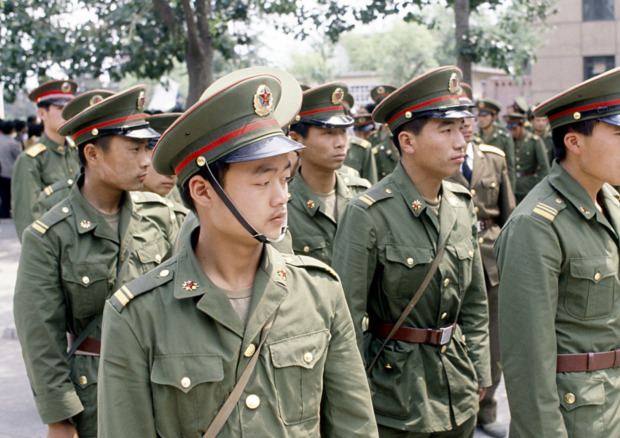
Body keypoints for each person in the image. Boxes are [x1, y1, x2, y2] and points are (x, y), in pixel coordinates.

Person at [97, 67, 378, 437]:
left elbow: (353, 426)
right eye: (262, 181)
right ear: (202, 191)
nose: (282, 197)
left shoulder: (319, 292)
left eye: (284, 178)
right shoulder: (138, 315)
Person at [495, 63, 620, 438]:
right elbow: (527, 359)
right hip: (576, 419)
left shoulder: (609, 202)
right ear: (574, 142)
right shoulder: (536, 226)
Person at [14, 85, 181, 438]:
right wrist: (59, 419)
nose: (146, 160)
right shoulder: (49, 236)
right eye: (134, 149)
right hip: (94, 391)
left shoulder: (160, 217)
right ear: (92, 153)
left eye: (146, 148)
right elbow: (40, 335)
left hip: (162, 383)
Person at [332, 66, 491, 437]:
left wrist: (480, 369)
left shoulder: (461, 203)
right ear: (407, 141)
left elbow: (475, 302)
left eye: (461, 128)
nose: (460, 141)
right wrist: (352, 402)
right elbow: (346, 320)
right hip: (395, 397)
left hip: (458, 386)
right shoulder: (369, 213)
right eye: (445, 130)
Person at [448, 85, 515, 438]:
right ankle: (457, 410)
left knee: (493, 341)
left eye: (471, 116)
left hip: (490, 259)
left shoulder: (495, 157)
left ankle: (486, 410)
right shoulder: (440, 160)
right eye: (458, 119)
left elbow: (509, 215)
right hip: (450, 260)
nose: (468, 124)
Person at [287, 83, 371, 265]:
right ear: (296, 140)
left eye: (342, 132)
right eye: (328, 133)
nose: (341, 142)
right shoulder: (284, 205)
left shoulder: (363, 193)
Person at [11, 79, 80, 239]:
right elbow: (27, 218)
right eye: (60, 108)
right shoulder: (30, 160)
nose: (66, 114)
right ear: (42, 114)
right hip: (51, 249)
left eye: (69, 109)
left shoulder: (76, 152)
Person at [505, 110, 550, 204]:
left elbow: (545, 168)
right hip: (513, 187)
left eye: (514, 129)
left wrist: (538, 185)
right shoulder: (509, 141)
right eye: (510, 129)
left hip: (529, 187)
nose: (512, 132)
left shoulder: (534, 141)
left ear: (522, 126)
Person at [0, 120, 22, 218]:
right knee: (9, 194)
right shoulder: (12, 142)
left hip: (1, 170)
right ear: (12, 130)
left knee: (3, 194)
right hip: (10, 171)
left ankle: (3, 211)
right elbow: (19, 156)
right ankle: (7, 211)